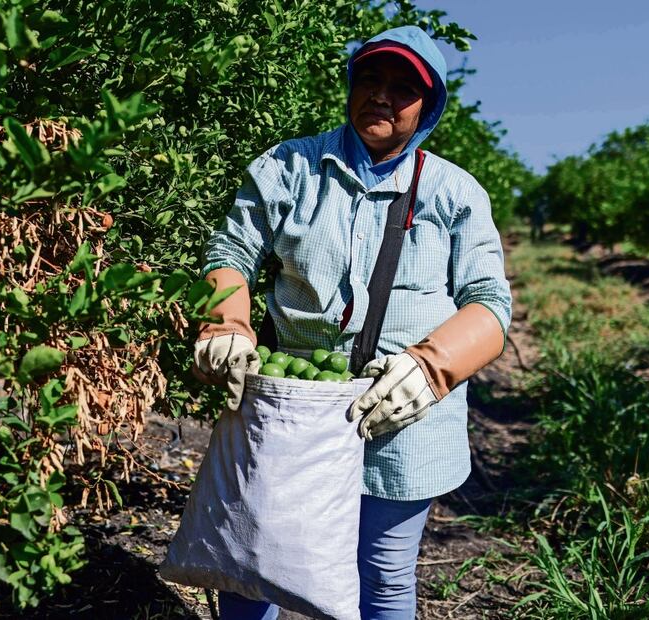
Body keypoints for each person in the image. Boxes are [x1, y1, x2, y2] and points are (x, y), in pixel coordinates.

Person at [191, 25, 512, 619]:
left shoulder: (454, 193)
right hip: (293, 406)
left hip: (403, 416)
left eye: (402, 88)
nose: (381, 96)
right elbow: (231, 252)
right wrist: (226, 324)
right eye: (370, 78)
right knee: (250, 562)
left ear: (428, 107)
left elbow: (490, 303)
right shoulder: (290, 167)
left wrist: (432, 369)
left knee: (383, 574)